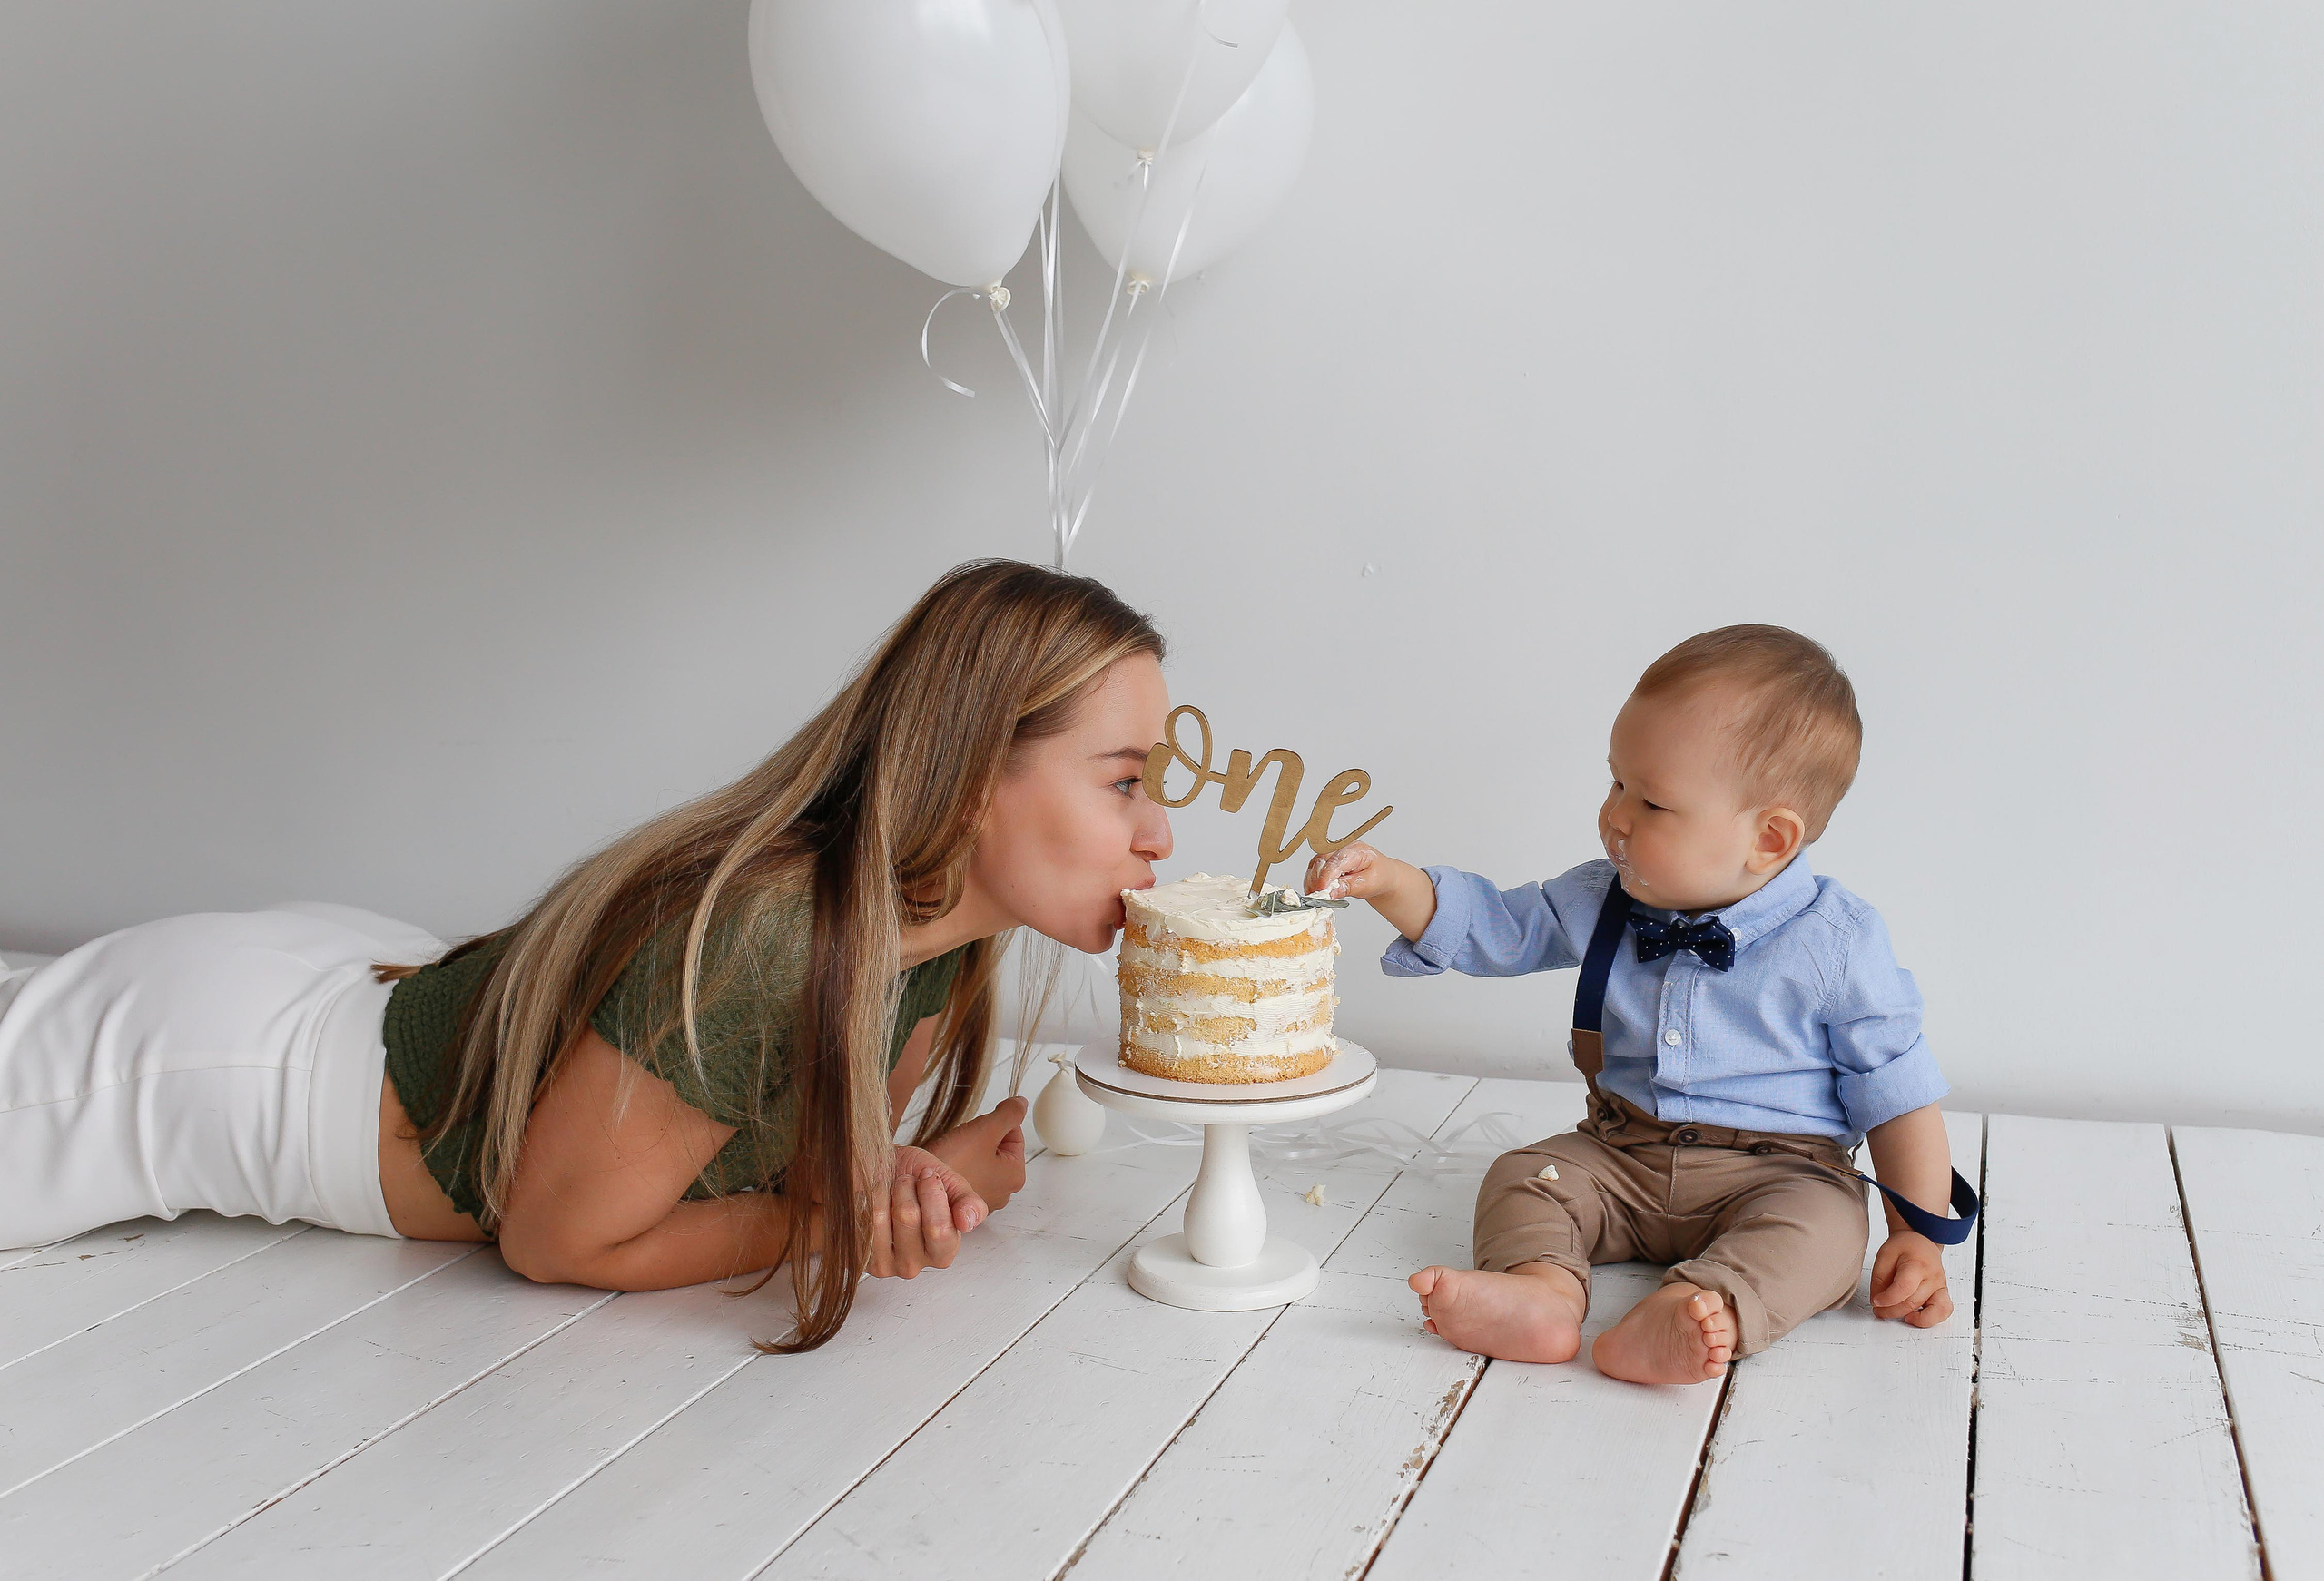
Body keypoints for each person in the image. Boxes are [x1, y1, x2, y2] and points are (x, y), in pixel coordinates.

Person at [0, 559, 1174, 1352]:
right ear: (973, 778)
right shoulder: (776, 938)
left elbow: (791, 1152)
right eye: (1125, 782)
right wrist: (832, 1219)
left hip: (384, 982)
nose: (1159, 832)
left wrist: (902, 1171)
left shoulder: (930, 954)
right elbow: (563, 1236)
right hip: (231, 1061)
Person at [1307, 625, 1961, 1385]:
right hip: (1622, 1155)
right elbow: (1502, 928)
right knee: (1527, 1175)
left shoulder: (1838, 944)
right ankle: (1544, 1291)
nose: (1615, 815)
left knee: (1824, 1235)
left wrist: (1919, 1236)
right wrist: (1393, 881)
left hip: (1777, 1174)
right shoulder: (1602, 896)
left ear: (1770, 837)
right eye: (1616, 782)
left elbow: (1898, 1097)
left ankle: (1698, 1307)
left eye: (1651, 802)